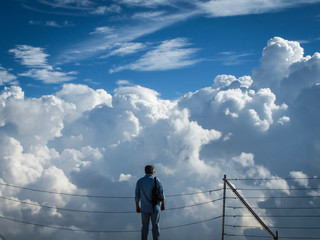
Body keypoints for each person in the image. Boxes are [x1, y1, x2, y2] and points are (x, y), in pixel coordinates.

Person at [135, 165, 165, 240]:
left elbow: (137, 196)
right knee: (155, 226)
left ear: (145, 172)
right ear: (153, 172)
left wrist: (137, 207)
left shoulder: (140, 181)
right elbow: (161, 193)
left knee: (145, 226)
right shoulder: (156, 180)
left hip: (144, 208)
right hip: (155, 207)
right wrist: (163, 205)